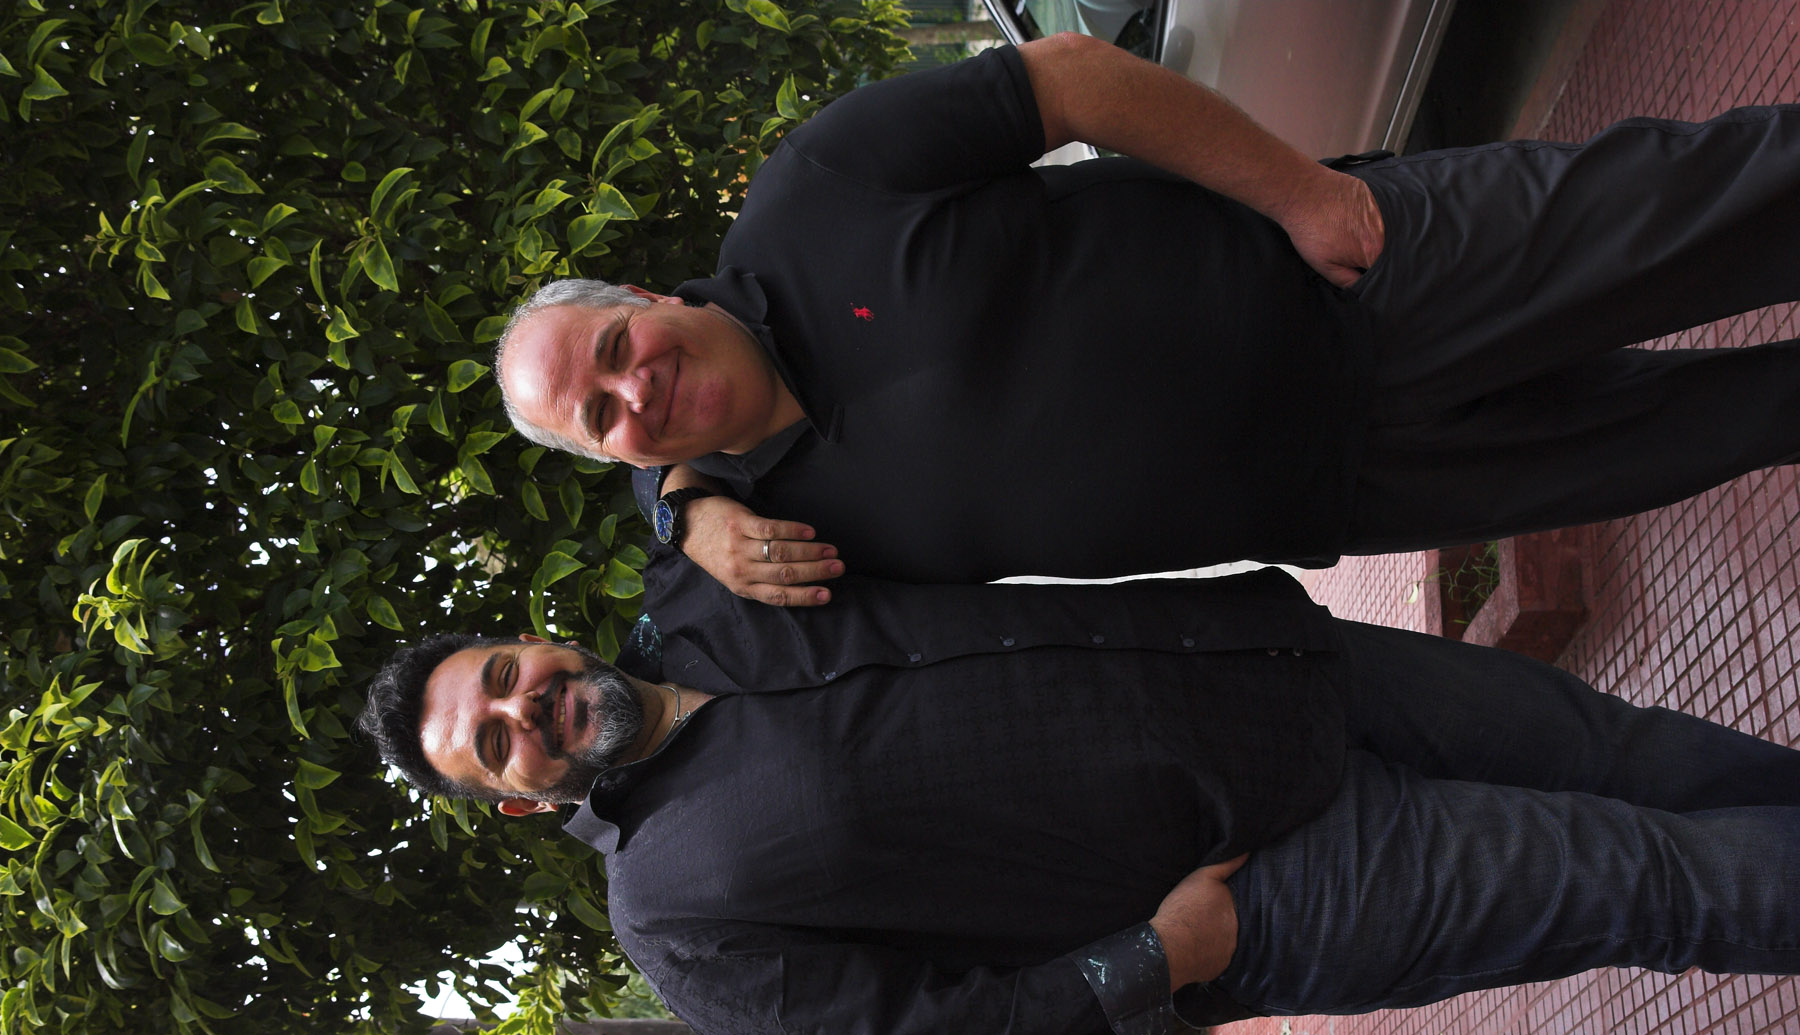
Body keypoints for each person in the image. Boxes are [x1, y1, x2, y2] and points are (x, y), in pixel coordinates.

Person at [358, 552, 1800, 1035]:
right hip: (1272, 884)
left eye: (504, 675)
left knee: (1632, 754)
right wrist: (1154, 962)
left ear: (528, 638)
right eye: (495, 743)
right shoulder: (670, 913)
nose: (526, 709)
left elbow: (732, 383)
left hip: (1287, 674)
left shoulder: (709, 587)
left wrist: (681, 491)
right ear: (518, 799)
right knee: (1648, 880)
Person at [493, 32, 1800, 606]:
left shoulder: (814, 190)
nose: (634, 390)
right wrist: (678, 514)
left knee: (1707, 210)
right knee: (1712, 429)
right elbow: (652, 652)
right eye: (602, 418)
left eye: (614, 351)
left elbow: (1067, 81)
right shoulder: (771, 545)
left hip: (1363, 275)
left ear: (645, 299)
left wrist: (1303, 195)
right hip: (1362, 486)